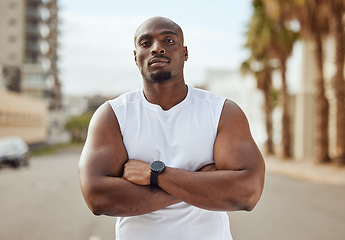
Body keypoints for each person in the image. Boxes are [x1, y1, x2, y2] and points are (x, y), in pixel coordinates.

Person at [78, 16, 265, 240]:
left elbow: (247, 193)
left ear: (185, 53)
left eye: (168, 40)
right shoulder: (112, 115)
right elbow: (98, 197)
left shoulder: (222, 112)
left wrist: (155, 175)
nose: (157, 48)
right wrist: (199, 181)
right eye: (146, 43)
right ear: (136, 57)